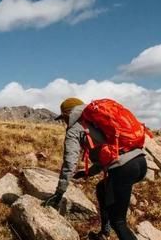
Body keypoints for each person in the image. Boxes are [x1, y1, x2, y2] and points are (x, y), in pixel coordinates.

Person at [44, 97, 147, 240]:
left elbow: (69, 163)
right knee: (102, 189)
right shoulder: (96, 121)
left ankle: (110, 230)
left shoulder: (74, 130)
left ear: (68, 114)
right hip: (140, 162)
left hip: (123, 168)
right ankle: (104, 233)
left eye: (63, 119)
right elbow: (106, 155)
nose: (64, 122)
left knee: (119, 222)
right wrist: (87, 173)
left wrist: (59, 193)